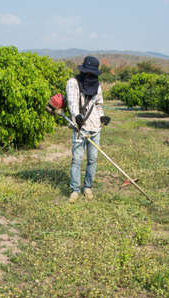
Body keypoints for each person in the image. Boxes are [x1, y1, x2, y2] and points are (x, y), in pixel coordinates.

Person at [66, 56, 110, 202]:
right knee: (77, 159)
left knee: (93, 159)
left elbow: (98, 105)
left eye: (93, 74)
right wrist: (76, 115)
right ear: (83, 71)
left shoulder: (97, 86)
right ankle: (75, 190)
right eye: (88, 73)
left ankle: (88, 187)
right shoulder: (73, 83)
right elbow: (72, 103)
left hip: (95, 127)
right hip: (80, 127)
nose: (90, 76)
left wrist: (102, 117)